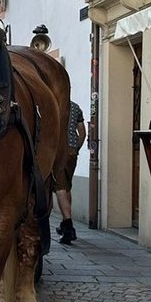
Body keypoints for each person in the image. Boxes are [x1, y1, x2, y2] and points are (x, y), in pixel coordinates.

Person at [56, 100, 86, 244]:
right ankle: (64, 222)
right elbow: (82, 133)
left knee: (59, 187)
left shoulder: (54, 103)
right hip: (72, 151)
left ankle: (68, 227)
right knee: (67, 186)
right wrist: (75, 149)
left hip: (58, 150)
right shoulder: (75, 107)